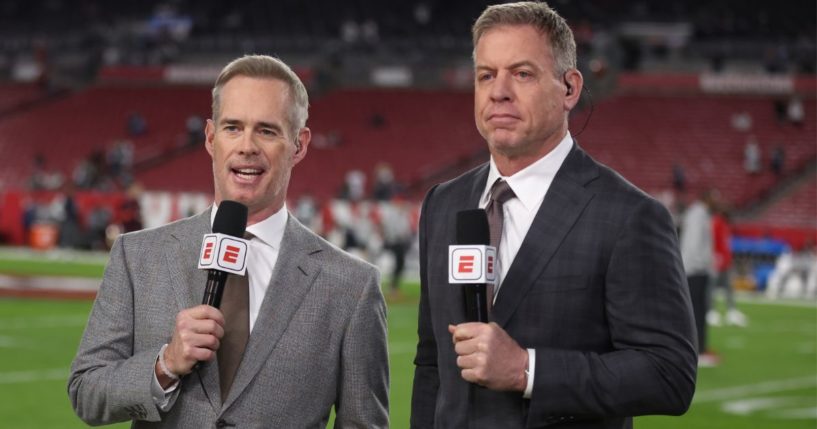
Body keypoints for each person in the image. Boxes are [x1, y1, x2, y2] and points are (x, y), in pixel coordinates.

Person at [411, 3, 697, 428]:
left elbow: (669, 374)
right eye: (486, 75)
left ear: (569, 88)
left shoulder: (628, 216)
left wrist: (528, 370)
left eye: (522, 74)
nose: (499, 91)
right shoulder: (443, 205)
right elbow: (432, 364)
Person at [69, 55, 389, 428]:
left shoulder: (351, 286)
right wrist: (165, 365)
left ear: (299, 145)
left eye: (267, 131)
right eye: (233, 127)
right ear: (210, 137)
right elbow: (86, 392)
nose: (247, 146)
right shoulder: (138, 256)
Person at [680, 189, 718, 367]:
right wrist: (701, 263)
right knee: (697, 312)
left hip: (694, 269)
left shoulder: (699, 213)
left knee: (698, 311)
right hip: (695, 270)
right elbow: (694, 243)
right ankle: (697, 350)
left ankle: (699, 349)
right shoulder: (698, 214)